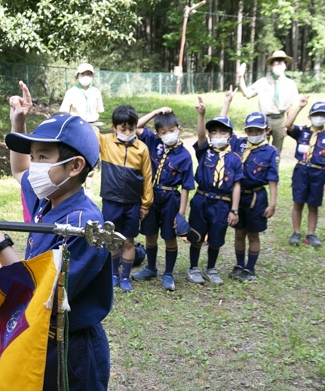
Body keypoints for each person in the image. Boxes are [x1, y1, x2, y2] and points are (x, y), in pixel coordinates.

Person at [0, 81, 112, 391]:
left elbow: (38, 294)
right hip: (41, 340)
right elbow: (19, 169)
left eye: (42, 157)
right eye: (34, 155)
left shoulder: (84, 226)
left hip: (73, 353)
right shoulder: (47, 199)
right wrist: (18, 123)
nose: (34, 165)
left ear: (75, 166)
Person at [131, 107, 194, 291]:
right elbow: (136, 127)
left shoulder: (184, 156)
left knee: (169, 237)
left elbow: (186, 187)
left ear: (179, 129)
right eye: (163, 132)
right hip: (150, 197)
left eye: (172, 131)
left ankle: (168, 273)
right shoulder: (152, 142)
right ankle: (151, 268)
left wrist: (181, 213)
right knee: (150, 234)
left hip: (171, 199)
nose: (168, 135)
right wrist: (155, 112)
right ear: (158, 134)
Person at [187, 98, 244, 285]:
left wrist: (234, 210)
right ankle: (193, 267)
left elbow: (236, 184)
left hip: (222, 203)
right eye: (214, 132)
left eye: (223, 132)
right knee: (196, 234)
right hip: (201, 200)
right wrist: (201, 115)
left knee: (216, 236)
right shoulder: (204, 151)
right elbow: (200, 133)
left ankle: (210, 268)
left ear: (230, 136)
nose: (218, 135)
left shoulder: (235, 158)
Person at [97, 105, 153, 291]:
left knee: (128, 240)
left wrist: (145, 204)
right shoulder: (104, 142)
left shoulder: (142, 149)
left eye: (131, 128)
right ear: (114, 127)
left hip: (132, 203)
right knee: (112, 239)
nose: (128, 132)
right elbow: (87, 133)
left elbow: (147, 178)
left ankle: (125, 277)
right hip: (111, 201)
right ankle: (113, 274)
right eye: (123, 128)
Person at [230, 112, 279, 282]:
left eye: (257, 131)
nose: (253, 134)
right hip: (238, 196)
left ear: (266, 130)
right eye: (250, 131)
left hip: (256, 198)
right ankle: (239, 264)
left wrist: (272, 204)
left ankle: (250, 268)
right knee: (238, 232)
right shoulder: (240, 144)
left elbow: (273, 178)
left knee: (252, 234)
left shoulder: (270, 152)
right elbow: (223, 128)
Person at [237, 50, 299, 154]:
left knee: (277, 151)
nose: (278, 64)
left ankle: (274, 169)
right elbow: (246, 93)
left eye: (281, 61)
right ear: (271, 65)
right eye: (276, 61)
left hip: (280, 119)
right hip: (264, 119)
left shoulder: (290, 84)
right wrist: (240, 77)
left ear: (285, 65)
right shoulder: (263, 82)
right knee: (259, 148)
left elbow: (290, 106)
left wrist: (288, 124)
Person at [284, 96, 325, 247]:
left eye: (322, 115)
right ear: (310, 117)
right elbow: (287, 125)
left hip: (319, 172)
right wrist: (299, 107)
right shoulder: (302, 131)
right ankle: (296, 232)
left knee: (313, 205)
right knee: (298, 202)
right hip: (301, 170)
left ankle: (311, 234)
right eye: (316, 115)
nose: (319, 118)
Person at [59, 63, 105, 193]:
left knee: (92, 155)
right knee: (76, 156)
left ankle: (89, 188)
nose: (86, 77)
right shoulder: (71, 92)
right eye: (83, 74)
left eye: (89, 74)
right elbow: (63, 112)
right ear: (78, 76)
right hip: (76, 127)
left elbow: (99, 110)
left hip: (92, 126)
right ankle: (75, 187)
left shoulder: (96, 92)